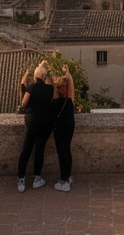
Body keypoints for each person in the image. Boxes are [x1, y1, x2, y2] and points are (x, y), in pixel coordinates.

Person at [16, 61, 54, 192]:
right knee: (39, 149)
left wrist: (23, 85)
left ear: (35, 76)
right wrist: (45, 69)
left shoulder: (31, 88)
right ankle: (37, 178)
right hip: (45, 123)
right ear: (44, 77)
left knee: (26, 149)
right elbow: (50, 84)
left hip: (32, 122)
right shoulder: (50, 89)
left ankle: (21, 179)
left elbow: (24, 103)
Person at [49, 63, 76, 192]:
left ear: (58, 89)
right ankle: (68, 176)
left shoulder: (55, 102)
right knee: (67, 151)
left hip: (60, 129)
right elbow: (71, 86)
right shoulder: (70, 100)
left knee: (62, 153)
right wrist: (67, 73)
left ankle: (64, 181)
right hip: (70, 127)